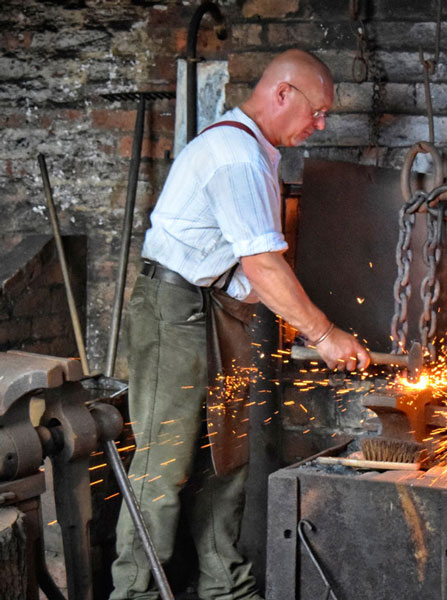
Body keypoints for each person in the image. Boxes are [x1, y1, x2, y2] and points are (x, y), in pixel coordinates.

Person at [110, 49, 370, 600]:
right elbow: (262, 264)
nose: (319, 125)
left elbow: (254, 274)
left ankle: (224, 587)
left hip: (217, 312)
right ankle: (135, 592)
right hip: (172, 312)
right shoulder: (235, 156)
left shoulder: (256, 153)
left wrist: (296, 322)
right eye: (317, 111)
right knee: (165, 465)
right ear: (282, 94)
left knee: (224, 457)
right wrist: (322, 334)